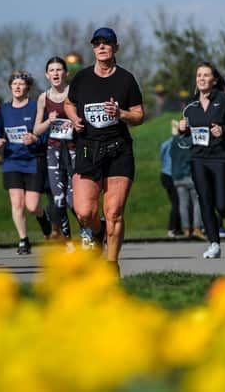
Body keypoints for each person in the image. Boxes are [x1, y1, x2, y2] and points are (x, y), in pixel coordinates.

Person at [64, 27, 145, 276]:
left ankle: (112, 265)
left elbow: (139, 115)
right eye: (97, 43)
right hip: (88, 149)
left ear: (115, 48)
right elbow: (69, 103)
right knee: (84, 211)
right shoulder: (82, 78)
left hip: (118, 150)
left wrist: (120, 113)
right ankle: (97, 232)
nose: (101, 47)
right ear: (93, 48)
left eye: (106, 43)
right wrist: (75, 118)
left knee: (114, 212)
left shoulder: (126, 79)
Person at [178, 61, 225, 258]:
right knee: (205, 200)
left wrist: (224, 130)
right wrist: (182, 129)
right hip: (198, 158)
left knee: (222, 204)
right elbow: (187, 133)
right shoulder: (190, 104)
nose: (201, 78)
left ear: (214, 79)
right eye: (198, 75)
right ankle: (214, 244)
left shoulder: (224, 100)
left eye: (205, 75)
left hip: (222, 157)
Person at [0, 71, 52, 255]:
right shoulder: (5, 109)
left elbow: (47, 132)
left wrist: (35, 138)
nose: (17, 87)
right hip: (12, 161)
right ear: (10, 86)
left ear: (28, 87)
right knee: (17, 203)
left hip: (33, 160)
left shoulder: (35, 107)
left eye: (21, 84)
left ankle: (45, 222)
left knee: (32, 206)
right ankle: (23, 240)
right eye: (14, 83)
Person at [33, 56, 91, 248]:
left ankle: (87, 233)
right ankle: (67, 242)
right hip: (54, 151)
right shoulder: (44, 98)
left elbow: (85, 122)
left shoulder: (75, 94)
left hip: (75, 150)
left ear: (66, 73)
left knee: (74, 199)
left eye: (59, 70)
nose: (56, 74)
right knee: (58, 200)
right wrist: (49, 121)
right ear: (46, 75)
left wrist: (75, 123)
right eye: (52, 71)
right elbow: (36, 130)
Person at [170, 119, 203, 239]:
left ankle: (186, 229)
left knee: (183, 204)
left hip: (177, 176)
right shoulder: (192, 140)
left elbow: (171, 155)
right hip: (191, 176)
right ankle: (197, 228)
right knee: (197, 203)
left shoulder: (174, 140)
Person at [159, 131, 182, 238]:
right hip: (171, 175)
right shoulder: (179, 144)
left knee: (177, 202)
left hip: (165, 174)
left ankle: (178, 228)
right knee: (177, 203)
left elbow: (162, 157)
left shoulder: (165, 143)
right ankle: (172, 228)